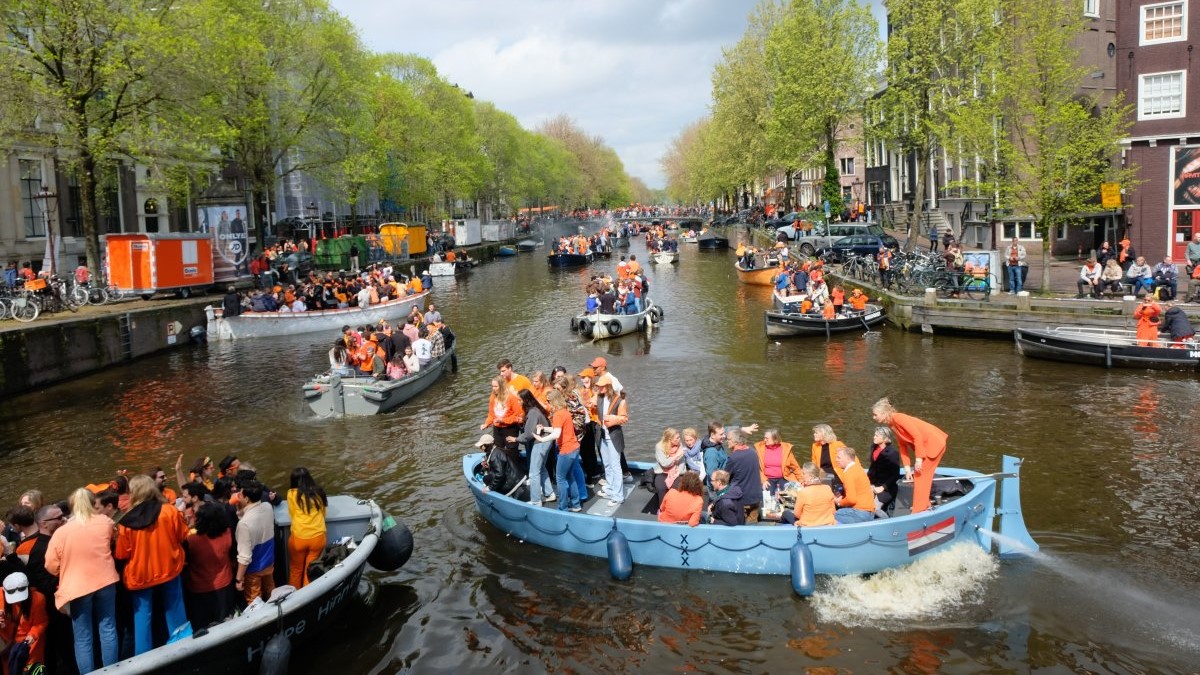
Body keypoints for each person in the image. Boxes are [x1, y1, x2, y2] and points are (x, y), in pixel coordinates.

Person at [44, 488, 120, 673]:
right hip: (106, 580)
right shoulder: (106, 522)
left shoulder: (62, 532)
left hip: (78, 587)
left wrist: (66, 568)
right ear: (94, 502)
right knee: (108, 628)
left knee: (83, 636)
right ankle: (113, 671)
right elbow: (115, 541)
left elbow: (50, 565)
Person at [114, 475, 189, 655]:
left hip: (140, 575)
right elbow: (182, 535)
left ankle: (143, 656)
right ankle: (183, 648)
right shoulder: (169, 511)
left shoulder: (126, 522)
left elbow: (121, 553)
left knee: (142, 617)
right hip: (169, 568)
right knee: (175, 608)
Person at [872, 397, 948, 514]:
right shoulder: (892, 424)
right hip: (926, 447)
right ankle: (923, 504)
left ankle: (919, 509)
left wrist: (918, 459)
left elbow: (917, 436)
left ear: (883, 413)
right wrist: (907, 469)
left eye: (875, 415)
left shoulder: (899, 418)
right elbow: (903, 446)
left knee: (920, 475)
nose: (874, 417)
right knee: (920, 475)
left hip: (933, 445)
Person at [183, 502, 234, 629]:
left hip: (199, 590)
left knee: (203, 626)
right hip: (225, 585)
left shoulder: (191, 540)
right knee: (225, 621)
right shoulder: (228, 533)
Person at [532, 390, 583, 513]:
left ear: (553, 401)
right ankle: (576, 504)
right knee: (570, 476)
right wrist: (545, 428)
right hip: (575, 448)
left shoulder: (558, 414)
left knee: (560, 479)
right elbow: (558, 429)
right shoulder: (565, 412)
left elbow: (557, 434)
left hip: (566, 451)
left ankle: (562, 507)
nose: (548, 404)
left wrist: (541, 438)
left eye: (548, 401)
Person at [0, 571, 49, 675]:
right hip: (7, 644)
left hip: (30, 645)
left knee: (30, 671)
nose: (17, 601)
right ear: (4, 590)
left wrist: (33, 635)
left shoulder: (38, 599)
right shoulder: (0, 596)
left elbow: (41, 622)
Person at [234, 480, 275, 603]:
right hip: (269, 561)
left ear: (246, 499)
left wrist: (238, 579)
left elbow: (244, 557)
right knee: (271, 592)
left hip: (253, 569)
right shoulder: (268, 507)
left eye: (240, 495)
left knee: (254, 600)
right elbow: (249, 514)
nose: (238, 497)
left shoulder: (244, 524)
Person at [286, 468, 327, 589]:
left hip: (298, 536)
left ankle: (294, 597)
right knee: (310, 569)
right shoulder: (319, 492)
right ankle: (307, 596)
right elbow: (323, 513)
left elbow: (292, 513)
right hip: (318, 536)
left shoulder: (291, 493)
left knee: (296, 569)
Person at [514, 390, 555, 507]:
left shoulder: (532, 413)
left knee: (533, 472)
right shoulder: (536, 410)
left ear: (525, 400)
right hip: (547, 441)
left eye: (519, 400)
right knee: (541, 468)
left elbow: (528, 434)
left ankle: (536, 500)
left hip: (540, 442)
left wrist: (516, 439)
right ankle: (549, 493)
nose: (518, 402)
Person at [593, 374, 628, 506]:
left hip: (613, 436)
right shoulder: (600, 398)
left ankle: (618, 496)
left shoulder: (619, 400)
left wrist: (612, 419)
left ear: (608, 387)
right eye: (598, 386)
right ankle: (611, 488)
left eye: (601, 386)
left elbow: (624, 418)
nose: (598, 388)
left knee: (615, 466)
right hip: (603, 435)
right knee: (607, 464)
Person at [723, 429, 763, 524]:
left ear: (735, 441)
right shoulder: (753, 452)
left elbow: (724, 478)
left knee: (740, 524)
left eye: (728, 439)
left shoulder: (733, 458)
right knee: (753, 523)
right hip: (756, 497)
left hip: (741, 499)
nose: (727, 442)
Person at [779, 463, 836, 527]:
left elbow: (797, 514)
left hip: (808, 525)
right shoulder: (827, 488)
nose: (802, 475)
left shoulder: (803, 492)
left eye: (803, 473)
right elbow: (833, 511)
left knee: (785, 513)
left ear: (810, 476)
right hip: (827, 522)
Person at [832, 447, 875, 524]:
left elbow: (852, 499)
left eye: (839, 457)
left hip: (860, 513)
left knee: (831, 515)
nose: (836, 460)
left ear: (848, 459)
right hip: (870, 512)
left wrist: (839, 502)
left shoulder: (849, 474)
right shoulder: (858, 468)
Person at [481, 375, 523, 452]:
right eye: (492, 386)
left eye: (496, 386)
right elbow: (491, 414)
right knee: (498, 449)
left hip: (510, 428)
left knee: (511, 450)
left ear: (502, 386)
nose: (493, 389)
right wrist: (486, 424)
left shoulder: (511, 398)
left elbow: (518, 416)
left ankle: (513, 463)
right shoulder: (493, 397)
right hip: (497, 428)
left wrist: (503, 420)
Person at [754, 428, 801, 496]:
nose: (764, 440)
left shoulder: (786, 449)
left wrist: (802, 481)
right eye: (764, 438)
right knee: (767, 497)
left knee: (787, 496)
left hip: (783, 478)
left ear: (775, 439)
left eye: (767, 438)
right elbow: (757, 468)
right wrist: (763, 480)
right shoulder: (760, 448)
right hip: (767, 479)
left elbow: (796, 467)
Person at [867, 427, 903, 517]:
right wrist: (868, 483)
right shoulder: (874, 448)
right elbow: (872, 468)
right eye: (874, 435)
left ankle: (887, 522)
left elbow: (895, 475)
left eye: (877, 436)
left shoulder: (892, 453)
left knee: (874, 509)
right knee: (863, 504)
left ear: (885, 439)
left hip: (887, 488)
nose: (874, 437)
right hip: (873, 483)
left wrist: (882, 488)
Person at [652, 428, 685, 510]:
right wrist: (676, 455)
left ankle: (675, 510)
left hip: (676, 470)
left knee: (676, 488)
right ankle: (662, 509)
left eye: (679, 437)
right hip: (663, 471)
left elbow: (682, 461)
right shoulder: (659, 447)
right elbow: (665, 464)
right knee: (660, 488)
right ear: (670, 439)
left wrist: (679, 472)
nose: (679, 439)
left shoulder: (679, 445)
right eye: (677, 438)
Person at [810, 424, 848, 488]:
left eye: (816, 433)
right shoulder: (815, 446)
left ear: (824, 434)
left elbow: (850, 459)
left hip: (836, 475)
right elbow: (814, 463)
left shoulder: (837, 445)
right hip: (822, 476)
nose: (814, 434)